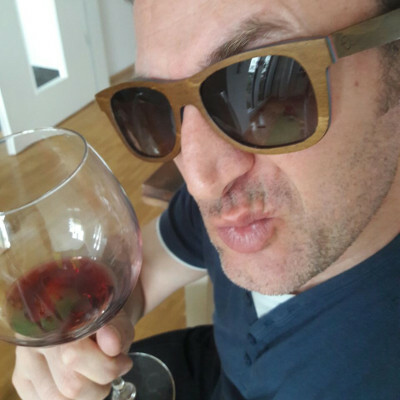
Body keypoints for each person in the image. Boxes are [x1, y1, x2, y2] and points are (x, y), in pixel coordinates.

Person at [12, 0, 400, 399]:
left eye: (270, 88)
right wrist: (80, 340)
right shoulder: (246, 210)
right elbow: (142, 276)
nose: (200, 182)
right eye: (153, 106)